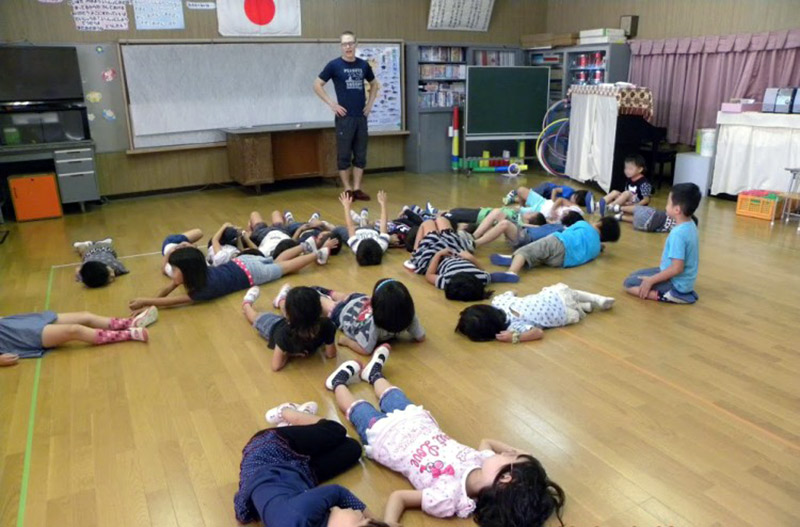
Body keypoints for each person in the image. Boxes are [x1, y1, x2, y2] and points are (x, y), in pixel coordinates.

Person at [324, 350, 565, 526]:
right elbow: (488, 442)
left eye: (510, 457)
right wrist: (519, 451)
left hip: (387, 438)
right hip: (415, 419)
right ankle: (374, 374)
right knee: (392, 395)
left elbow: (399, 497)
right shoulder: (481, 460)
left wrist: (390, 524)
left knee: (357, 408)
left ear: (505, 479)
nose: (506, 452)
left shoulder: (449, 499)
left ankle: (338, 384)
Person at [234, 402, 387, 527]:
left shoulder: (301, 514)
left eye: (362, 520)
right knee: (353, 448)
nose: (361, 514)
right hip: (296, 479)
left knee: (337, 430)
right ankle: (301, 426)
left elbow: (338, 492)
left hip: (266, 453)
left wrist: (374, 518)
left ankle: (286, 412)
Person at [128, 242, 335, 310]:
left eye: (175, 269)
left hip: (253, 273)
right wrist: (149, 304)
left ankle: (317, 252)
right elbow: (168, 291)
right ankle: (304, 245)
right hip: (243, 262)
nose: (173, 274)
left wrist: (146, 301)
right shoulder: (199, 275)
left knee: (285, 267)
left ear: (188, 272)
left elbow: (173, 302)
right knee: (275, 259)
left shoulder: (203, 290)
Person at [314, 30, 380, 201]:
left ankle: (357, 188)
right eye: (344, 44)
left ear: (356, 44)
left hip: (361, 117)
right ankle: (348, 189)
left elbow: (374, 84)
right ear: (341, 46)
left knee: (360, 154)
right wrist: (332, 104)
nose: (348, 47)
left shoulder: (364, 65)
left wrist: (370, 104)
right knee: (344, 155)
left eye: (351, 43)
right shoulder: (334, 65)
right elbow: (317, 84)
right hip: (345, 118)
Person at [623, 183, 701, 304]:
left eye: (668, 203)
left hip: (676, 283)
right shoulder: (691, 225)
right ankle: (682, 291)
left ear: (677, 210)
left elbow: (677, 268)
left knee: (628, 284)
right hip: (683, 280)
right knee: (635, 275)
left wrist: (651, 281)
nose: (666, 206)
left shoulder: (678, 234)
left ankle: (671, 295)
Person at [0, 307, 157, 366]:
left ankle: (131, 322)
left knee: (85, 316)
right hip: (16, 337)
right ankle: (129, 334)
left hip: (14, 324)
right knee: (74, 331)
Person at [455, 284, 614, 343]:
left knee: (571, 305)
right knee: (571, 293)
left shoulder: (513, 328)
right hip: (556, 296)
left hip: (567, 315)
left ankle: (583, 307)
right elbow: (513, 291)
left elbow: (537, 333)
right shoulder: (499, 301)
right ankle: (596, 299)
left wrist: (515, 338)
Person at [405, 217, 514, 301]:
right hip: (455, 248)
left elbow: (429, 275)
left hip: (435, 255)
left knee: (427, 223)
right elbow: (484, 271)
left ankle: (415, 254)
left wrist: (438, 255)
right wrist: (470, 258)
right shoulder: (481, 278)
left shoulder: (447, 282)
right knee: (442, 220)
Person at [310, 278, 424, 355]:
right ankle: (321, 294)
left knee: (337, 303)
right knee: (332, 303)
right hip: (351, 309)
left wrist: (347, 342)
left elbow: (365, 350)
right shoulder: (410, 316)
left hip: (348, 309)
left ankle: (321, 294)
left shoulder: (374, 325)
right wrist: (345, 341)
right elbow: (420, 337)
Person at [490, 217, 621, 281]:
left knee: (528, 250)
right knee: (539, 256)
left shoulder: (584, 224)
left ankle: (512, 272)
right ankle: (518, 260)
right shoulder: (597, 249)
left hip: (559, 243)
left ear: (599, 222)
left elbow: (566, 230)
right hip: (562, 261)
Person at [240, 285, 337, 372]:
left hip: (289, 323)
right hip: (273, 326)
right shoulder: (327, 324)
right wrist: (291, 354)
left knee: (258, 317)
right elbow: (330, 354)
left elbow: (276, 365)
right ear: (319, 309)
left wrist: (288, 354)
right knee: (255, 318)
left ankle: (282, 300)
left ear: (288, 316)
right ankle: (246, 304)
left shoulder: (286, 335)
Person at [338, 190, 390, 266]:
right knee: (369, 224)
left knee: (337, 229)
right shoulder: (382, 245)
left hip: (357, 231)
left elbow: (350, 227)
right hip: (371, 229)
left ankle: (362, 217)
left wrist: (346, 207)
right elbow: (383, 225)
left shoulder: (356, 246)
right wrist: (383, 205)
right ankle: (362, 217)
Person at [504, 182, 593, 213]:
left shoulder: (572, 204)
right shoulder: (569, 191)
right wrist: (553, 201)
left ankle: (514, 200)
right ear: (576, 194)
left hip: (546, 200)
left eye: (576, 202)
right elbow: (555, 190)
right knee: (531, 194)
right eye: (574, 198)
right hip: (547, 189)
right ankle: (515, 194)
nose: (573, 201)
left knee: (530, 202)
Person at [614, 203, 697, 233]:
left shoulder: (677, 217)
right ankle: (621, 217)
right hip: (648, 226)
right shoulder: (676, 229)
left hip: (652, 215)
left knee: (638, 209)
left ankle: (619, 208)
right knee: (636, 219)